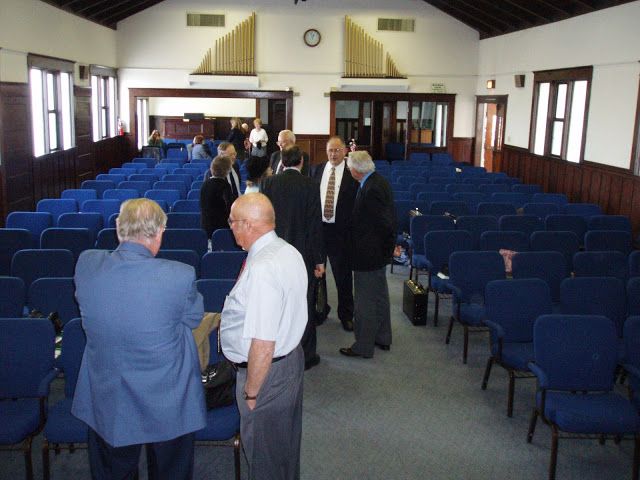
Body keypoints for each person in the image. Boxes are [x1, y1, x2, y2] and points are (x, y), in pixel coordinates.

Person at [72, 198, 206, 479]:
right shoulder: (179, 275)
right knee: (171, 471)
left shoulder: (86, 265)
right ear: (159, 234)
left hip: (109, 396)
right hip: (168, 398)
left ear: (119, 230)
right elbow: (193, 318)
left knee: (114, 471)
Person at [220, 193, 306, 480]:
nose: (230, 227)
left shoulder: (262, 267)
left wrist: (252, 392)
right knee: (283, 450)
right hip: (289, 363)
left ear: (247, 224)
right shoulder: (288, 251)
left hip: (267, 375)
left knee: (264, 458)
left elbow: (263, 342)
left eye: (232, 222)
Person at [261, 146, 324, 370]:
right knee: (304, 303)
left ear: (283, 162)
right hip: (302, 255)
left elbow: (263, 219)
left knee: (275, 302)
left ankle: (277, 351)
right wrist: (319, 260)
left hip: (272, 253)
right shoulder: (310, 185)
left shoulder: (268, 183)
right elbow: (315, 225)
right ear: (301, 163)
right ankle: (306, 355)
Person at [339, 150, 396, 359]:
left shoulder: (371, 189)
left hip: (368, 255)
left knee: (364, 302)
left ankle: (363, 346)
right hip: (376, 254)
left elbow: (384, 224)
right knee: (380, 297)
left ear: (355, 170)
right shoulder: (377, 181)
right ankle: (383, 336)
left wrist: (385, 250)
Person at [311, 136, 358, 332]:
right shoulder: (318, 170)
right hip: (319, 230)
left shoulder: (351, 173)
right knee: (318, 275)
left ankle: (346, 315)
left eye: (337, 150)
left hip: (341, 232)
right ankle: (320, 311)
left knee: (343, 276)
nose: (333, 154)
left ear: (345, 151)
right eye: (330, 150)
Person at [200, 155, 233, 238]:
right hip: (221, 225)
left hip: (206, 223)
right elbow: (229, 206)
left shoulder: (205, 184)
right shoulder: (225, 186)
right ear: (227, 170)